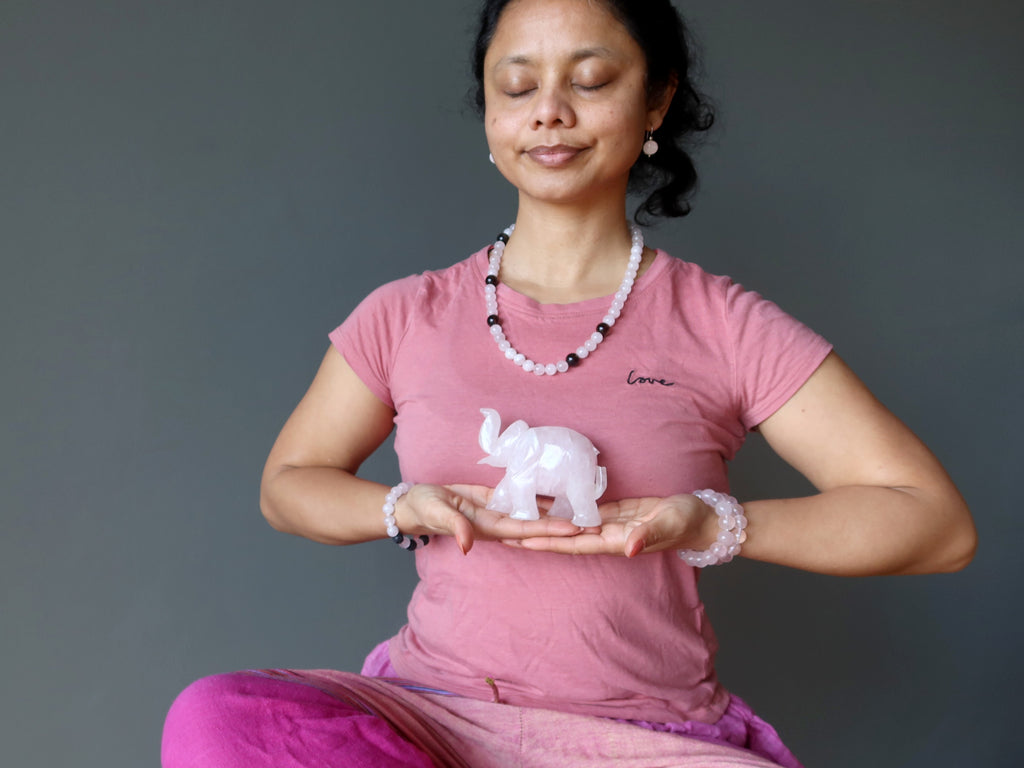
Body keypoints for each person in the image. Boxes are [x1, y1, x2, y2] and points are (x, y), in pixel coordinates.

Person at [161, 0, 977, 765]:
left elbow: (937, 527)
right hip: (428, 725)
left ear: (656, 101)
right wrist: (396, 507)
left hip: (638, 736)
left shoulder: (724, 323)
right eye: (517, 85)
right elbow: (287, 486)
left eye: (590, 80)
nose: (548, 109)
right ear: (489, 111)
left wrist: (713, 526)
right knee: (217, 715)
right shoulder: (405, 313)